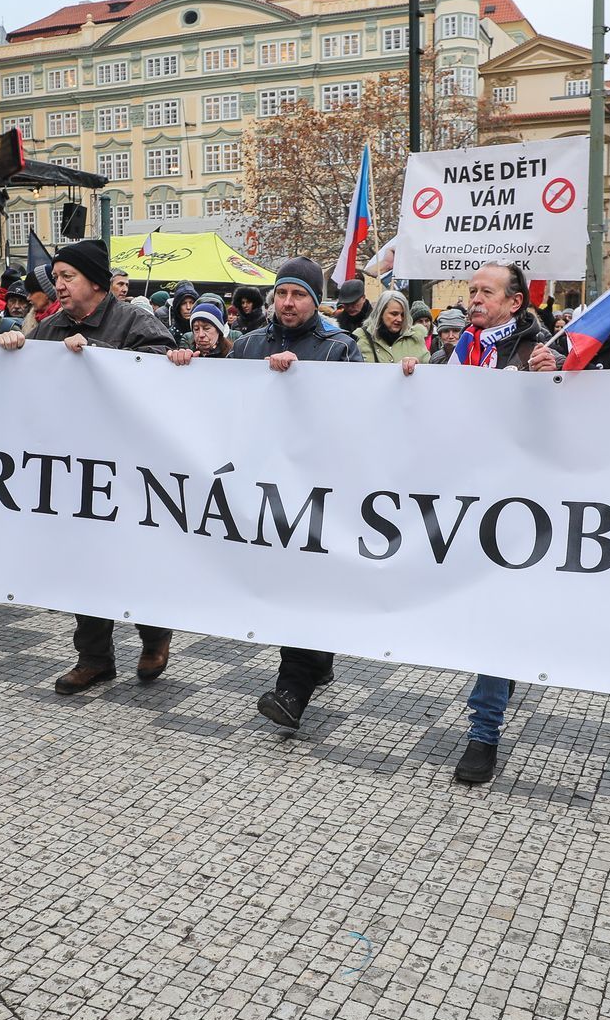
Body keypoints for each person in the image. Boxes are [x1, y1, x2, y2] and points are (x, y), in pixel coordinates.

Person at [399, 263, 557, 782]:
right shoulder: (458, 351)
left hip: (518, 506)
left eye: (486, 292)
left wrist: (555, 379)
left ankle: (483, 734)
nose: (474, 300)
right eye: (471, 292)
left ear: (515, 302)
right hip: (464, 498)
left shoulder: (540, 351)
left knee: (497, 616)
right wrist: (412, 381)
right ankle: (500, 678)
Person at [0, 239, 177, 693]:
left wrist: (96, 351)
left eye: (66, 277)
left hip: (131, 466)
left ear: (95, 281)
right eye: (56, 278)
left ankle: (154, 635)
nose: (56, 286)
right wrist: (12, 344)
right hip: (74, 466)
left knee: (134, 556)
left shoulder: (136, 320)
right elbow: (22, 383)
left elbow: (163, 374)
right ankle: (94, 657)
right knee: (84, 560)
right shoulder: (48, 327)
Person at [209, 258, 362, 730]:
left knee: (308, 581)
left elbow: (357, 412)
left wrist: (302, 381)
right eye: (282, 294)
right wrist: (185, 366)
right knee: (281, 580)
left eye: (298, 295)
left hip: (316, 488)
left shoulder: (339, 348)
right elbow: (218, 398)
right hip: (262, 485)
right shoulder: (251, 344)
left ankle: (291, 690)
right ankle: (317, 658)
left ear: (316, 301)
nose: (288, 303)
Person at [355, 289, 426, 364]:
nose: (399, 319)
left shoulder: (416, 338)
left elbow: (430, 367)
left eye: (403, 315)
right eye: (394, 314)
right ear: (381, 313)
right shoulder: (361, 337)